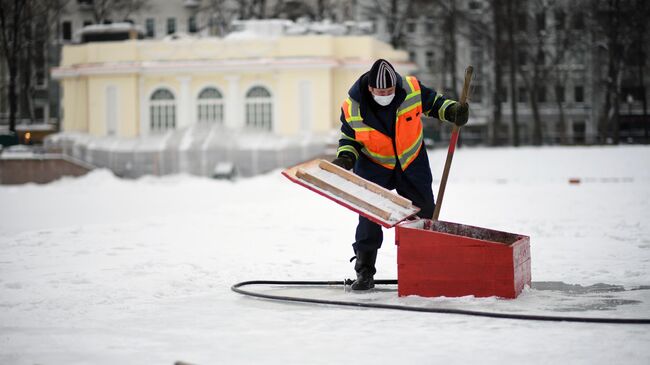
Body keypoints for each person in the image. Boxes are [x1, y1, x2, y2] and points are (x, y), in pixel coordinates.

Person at [332, 59, 469, 290]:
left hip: (411, 161)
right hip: (374, 164)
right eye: (380, 91)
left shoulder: (411, 89)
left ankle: (424, 268)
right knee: (369, 217)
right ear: (370, 89)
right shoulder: (352, 107)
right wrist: (346, 158)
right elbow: (349, 139)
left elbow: (435, 103)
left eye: (389, 90)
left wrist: (453, 111)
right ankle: (364, 271)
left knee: (424, 213)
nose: (385, 94)